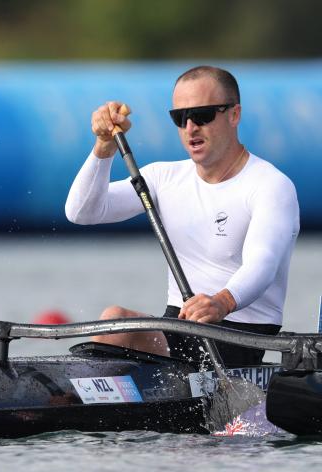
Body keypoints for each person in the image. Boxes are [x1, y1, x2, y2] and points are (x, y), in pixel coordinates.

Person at [64, 65, 299, 367]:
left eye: (203, 115)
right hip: (179, 326)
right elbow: (82, 212)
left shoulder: (270, 185)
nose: (190, 127)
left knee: (115, 321)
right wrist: (104, 146)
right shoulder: (164, 177)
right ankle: (79, 403)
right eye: (180, 117)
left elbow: (263, 264)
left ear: (234, 115)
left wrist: (222, 302)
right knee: (114, 321)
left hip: (240, 335)